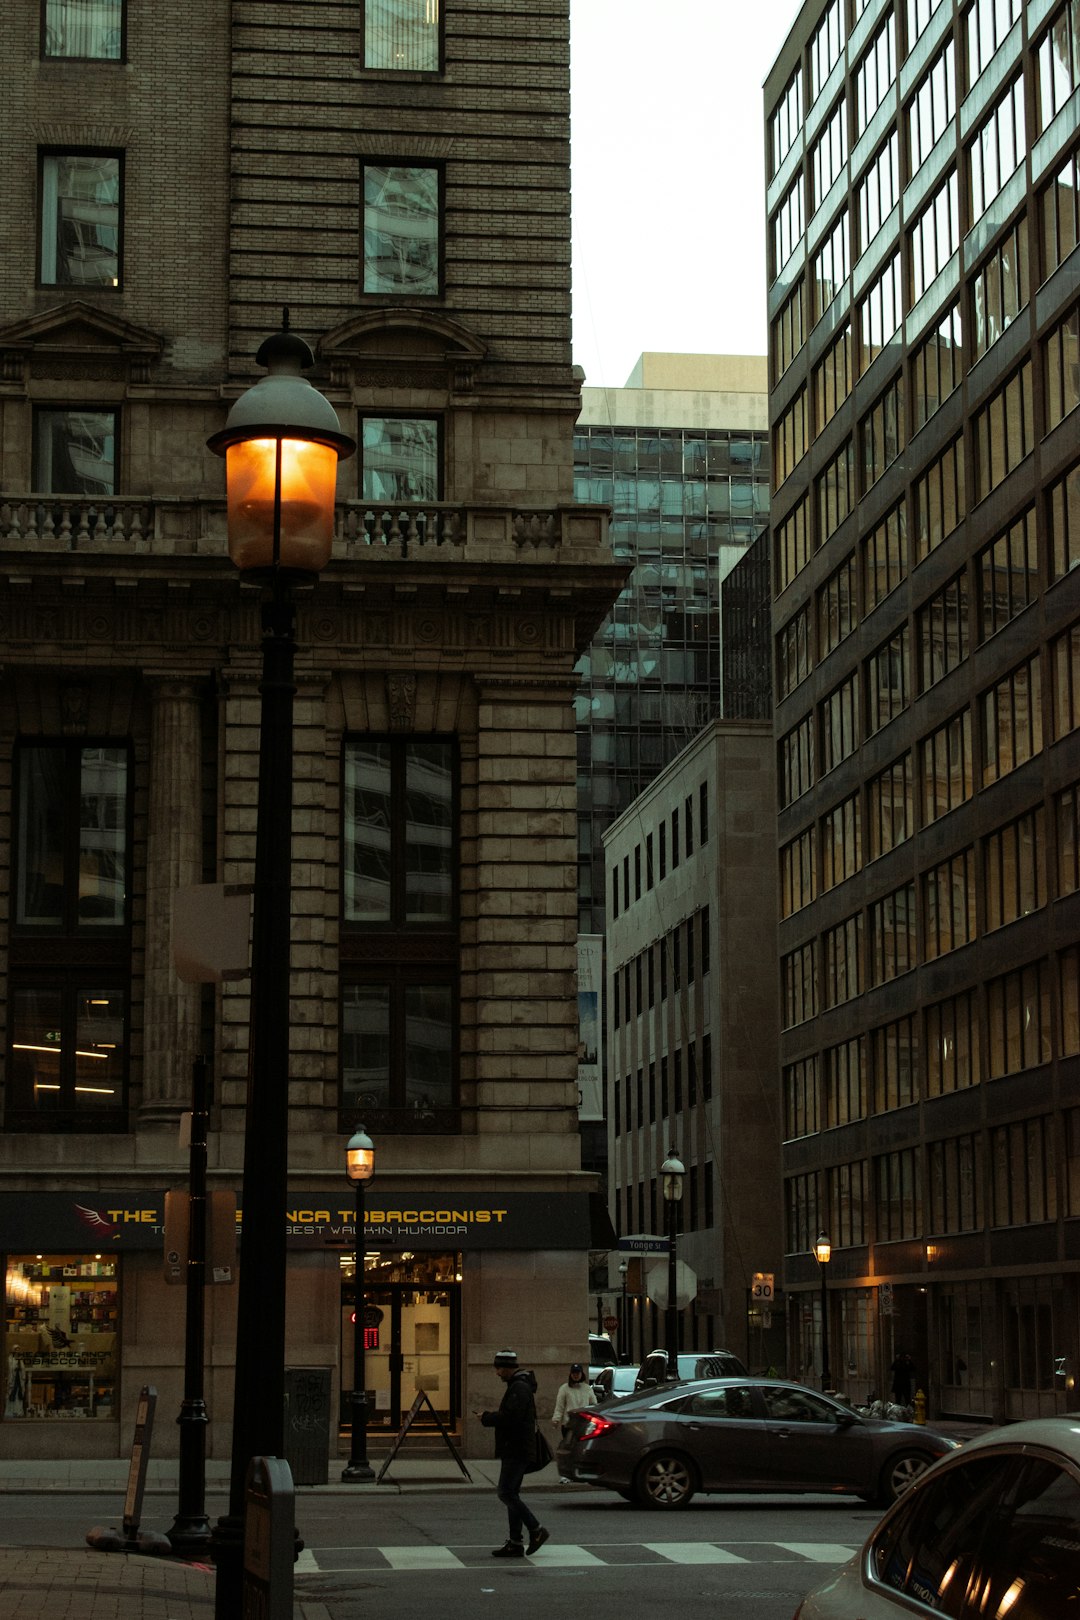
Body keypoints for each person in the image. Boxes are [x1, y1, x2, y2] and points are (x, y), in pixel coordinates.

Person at [474, 1348, 550, 1558]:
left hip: (517, 1449)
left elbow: (511, 1418)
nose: (497, 1373)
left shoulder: (519, 1388)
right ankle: (516, 1542)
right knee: (511, 1494)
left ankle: (536, 1529)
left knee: (505, 1493)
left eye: (499, 1369)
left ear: (507, 1368)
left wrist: (487, 1418)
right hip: (517, 1448)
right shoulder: (519, 1386)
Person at [551, 1362, 592, 1482]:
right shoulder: (564, 1389)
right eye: (573, 1373)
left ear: (581, 1374)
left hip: (583, 1424)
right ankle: (566, 1475)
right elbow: (560, 1406)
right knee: (569, 1450)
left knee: (581, 1450)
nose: (575, 1375)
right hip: (568, 1424)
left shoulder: (587, 1388)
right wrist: (556, 1419)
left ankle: (580, 1472)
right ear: (570, 1374)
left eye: (577, 1373)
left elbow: (594, 1404)